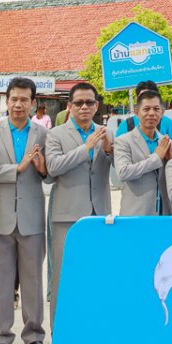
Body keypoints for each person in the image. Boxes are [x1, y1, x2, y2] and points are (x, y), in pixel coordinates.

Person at [0, 78, 49, 344]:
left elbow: (50, 174)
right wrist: (16, 168)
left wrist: (41, 169)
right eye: (14, 99)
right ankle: (2, 335)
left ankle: (34, 334)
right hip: (0, 215)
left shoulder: (43, 134)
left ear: (33, 103)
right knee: (0, 277)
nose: (18, 104)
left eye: (24, 100)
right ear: (6, 101)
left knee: (33, 278)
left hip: (32, 215)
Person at [45, 81, 113, 316]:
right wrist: (85, 148)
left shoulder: (106, 133)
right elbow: (53, 168)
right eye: (79, 103)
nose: (84, 107)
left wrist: (108, 150)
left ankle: (91, 326)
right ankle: (59, 330)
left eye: (89, 102)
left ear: (96, 106)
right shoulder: (55, 134)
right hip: (67, 215)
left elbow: (118, 170)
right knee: (63, 276)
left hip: (99, 213)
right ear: (70, 106)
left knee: (96, 275)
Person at [116, 88, 172, 217]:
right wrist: (156, 158)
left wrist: (171, 160)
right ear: (137, 112)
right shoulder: (123, 141)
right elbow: (123, 173)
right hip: (136, 214)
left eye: (156, 109)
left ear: (162, 112)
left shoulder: (167, 142)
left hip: (164, 212)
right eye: (146, 109)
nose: (152, 113)